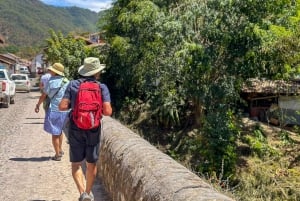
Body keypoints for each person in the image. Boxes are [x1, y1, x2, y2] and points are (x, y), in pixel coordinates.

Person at [59, 57, 112, 201]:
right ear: (96, 73)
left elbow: (62, 106)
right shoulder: (102, 87)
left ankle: (82, 193)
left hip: (76, 127)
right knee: (91, 163)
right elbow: (107, 112)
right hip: (93, 129)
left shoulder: (72, 85)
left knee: (76, 164)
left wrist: (76, 106)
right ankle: (88, 192)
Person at [35, 63, 69, 161]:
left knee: (55, 133)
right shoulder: (66, 81)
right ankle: (60, 149)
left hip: (54, 109)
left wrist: (38, 105)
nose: (50, 71)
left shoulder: (51, 82)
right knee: (60, 130)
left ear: (55, 72)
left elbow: (43, 95)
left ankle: (57, 155)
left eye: (52, 70)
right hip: (65, 109)